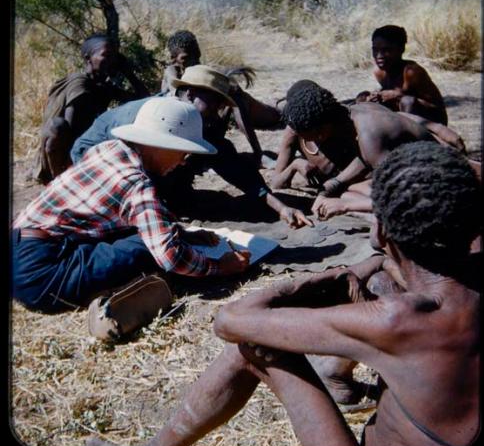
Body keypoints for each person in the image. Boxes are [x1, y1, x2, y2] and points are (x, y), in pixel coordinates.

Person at [86, 141, 480, 446]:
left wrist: (331, 277)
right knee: (380, 280)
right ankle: (337, 378)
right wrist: (370, 271)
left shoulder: (401, 320)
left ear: (379, 234)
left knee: (254, 344)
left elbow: (232, 321)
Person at [12, 99, 250, 314]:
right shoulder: (136, 185)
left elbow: (127, 217)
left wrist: (182, 233)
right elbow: (171, 257)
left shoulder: (108, 149)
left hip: (21, 246)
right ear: (162, 144)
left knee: (141, 237)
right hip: (42, 276)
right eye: (182, 152)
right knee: (146, 249)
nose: (182, 162)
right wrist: (220, 267)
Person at [72, 65, 312, 229]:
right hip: (94, 163)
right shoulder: (143, 119)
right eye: (214, 101)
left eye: (220, 103)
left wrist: (281, 208)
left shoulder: (197, 121)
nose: (218, 110)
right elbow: (127, 171)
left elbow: (235, 168)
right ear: (189, 93)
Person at [272, 80, 455, 221]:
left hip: (444, 187)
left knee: (357, 198)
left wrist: (345, 205)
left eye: (310, 137)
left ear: (321, 133)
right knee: (350, 190)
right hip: (425, 175)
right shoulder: (355, 114)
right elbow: (366, 158)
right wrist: (335, 184)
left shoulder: (370, 134)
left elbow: (403, 198)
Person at [33, 33, 150, 185]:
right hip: (64, 154)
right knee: (59, 126)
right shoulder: (79, 83)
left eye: (115, 57)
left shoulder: (103, 86)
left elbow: (144, 99)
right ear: (88, 58)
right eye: (106, 55)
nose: (111, 61)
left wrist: (129, 73)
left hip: (84, 146)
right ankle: (59, 182)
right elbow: (70, 129)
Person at [160, 30, 281, 168]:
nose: (194, 62)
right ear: (173, 58)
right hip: (181, 133)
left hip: (209, 131)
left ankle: (258, 154)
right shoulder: (172, 74)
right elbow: (171, 95)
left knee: (237, 98)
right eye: (186, 58)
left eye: (196, 57)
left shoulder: (200, 75)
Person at [356, 25, 448, 125]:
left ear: (401, 49)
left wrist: (397, 96)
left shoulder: (411, 72)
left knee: (408, 101)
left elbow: (436, 108)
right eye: (375, 50)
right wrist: (376, 96)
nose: (379, 56)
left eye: (386, 50)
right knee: (363, 97)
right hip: (404, 117)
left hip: (432, 120)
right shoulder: (379, 72)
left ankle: (411, 139)